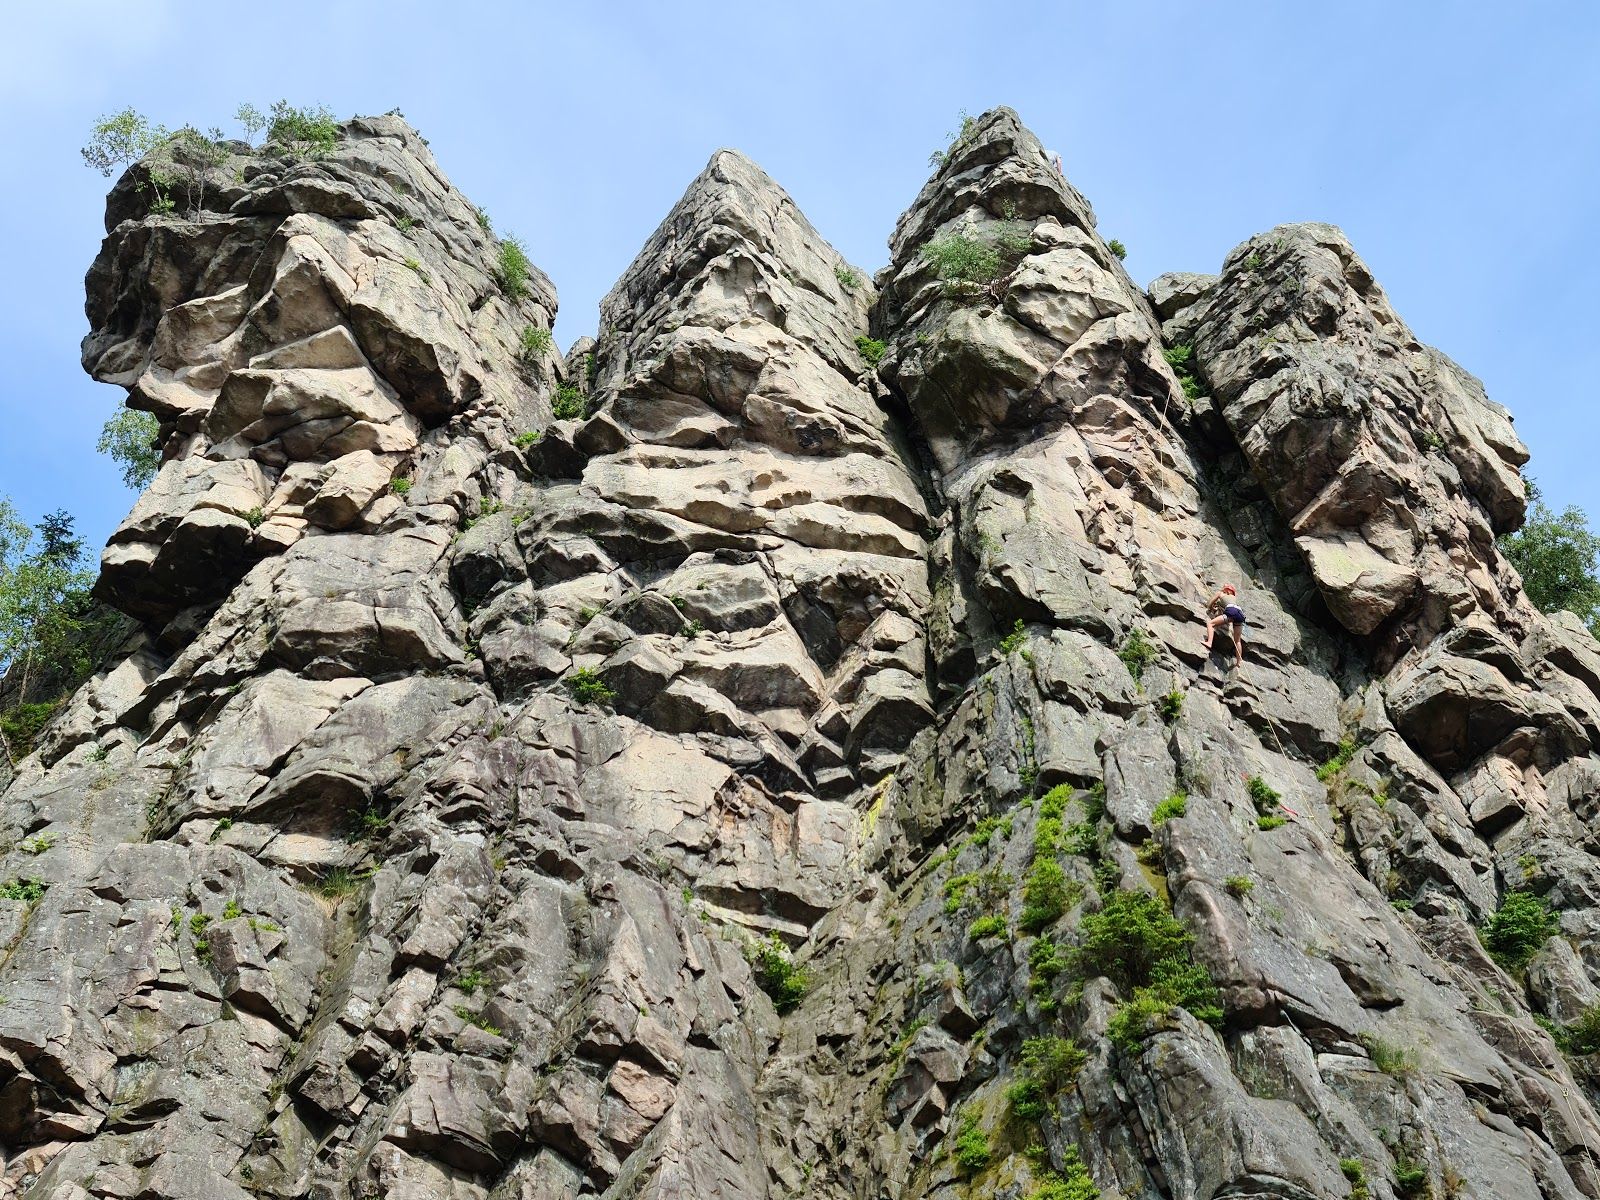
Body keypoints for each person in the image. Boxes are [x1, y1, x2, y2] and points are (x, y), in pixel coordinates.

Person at [1203, 584, 1246, 663]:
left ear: (1226, 590)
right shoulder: (1234, 598)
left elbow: (1209, 603)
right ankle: (1239, 661)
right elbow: (1225, 607)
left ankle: (1209, 642)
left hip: (1231, 612)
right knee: (1237, 641)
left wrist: (1211, 607)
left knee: (1210, 624)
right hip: (1240, 614)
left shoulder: (1221, 594)